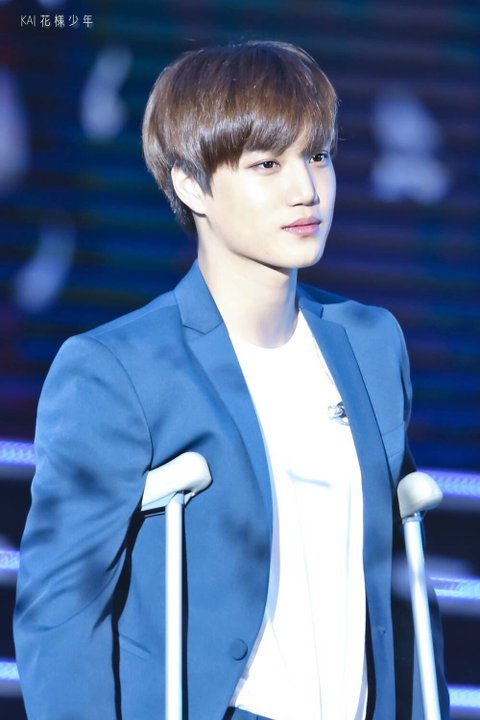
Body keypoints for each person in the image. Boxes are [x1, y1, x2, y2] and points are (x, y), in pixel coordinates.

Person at [14, 40, 449, 720]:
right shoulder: (115, 368)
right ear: (192, 185)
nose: (306, 189)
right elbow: (62, 612)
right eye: (267, 164)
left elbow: (400, 579)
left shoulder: (369, 342)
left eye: (318, 156)